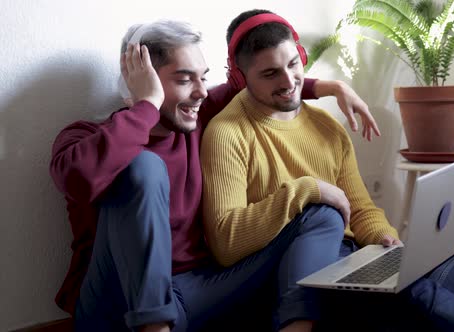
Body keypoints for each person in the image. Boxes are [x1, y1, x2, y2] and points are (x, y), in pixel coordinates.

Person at [201, 9, 454, 332]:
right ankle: (415, 307)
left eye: (293, 64)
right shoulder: (227, 133)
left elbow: (361, 208)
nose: (289, 81)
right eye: (270, 74)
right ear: (241, 78)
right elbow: (226, 243)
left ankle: (408, 311)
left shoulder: (326, 127)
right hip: (303, 279)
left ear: (301, 57)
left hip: (352, 262)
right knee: (418, 293)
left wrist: (386, 239)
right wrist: (305, 190)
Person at [49, 20, 381, 332]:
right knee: (144, 165)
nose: (201, 92)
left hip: (197, 291)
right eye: (183, 79)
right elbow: (79, 179)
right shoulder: (85, 138)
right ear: (140, 80)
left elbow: (261, 81)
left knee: (320, 213)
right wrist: (147, 105)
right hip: (115, 304)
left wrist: (332, 87)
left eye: (202, 77)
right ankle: (155, 325)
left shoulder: (197, 120)